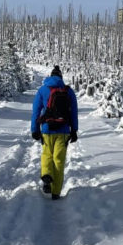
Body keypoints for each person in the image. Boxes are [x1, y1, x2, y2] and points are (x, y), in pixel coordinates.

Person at [31, 65, 78, 199]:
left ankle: (47, 175)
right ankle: (56, 192)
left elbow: (35, 111)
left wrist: (35, 129)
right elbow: (74, 113)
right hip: (63, 130)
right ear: (61, 77)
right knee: (59, 160)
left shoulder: (43, 90)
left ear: (50, 76)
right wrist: (74, 130)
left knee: (47, 155)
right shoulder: (69, 91)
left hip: (47, 129)